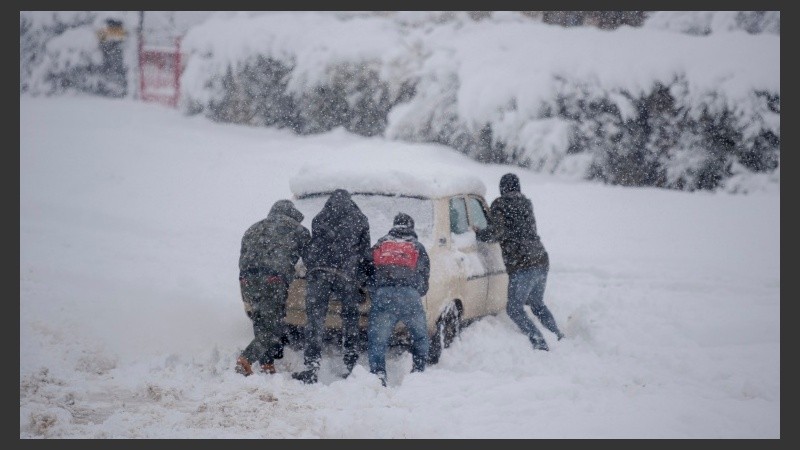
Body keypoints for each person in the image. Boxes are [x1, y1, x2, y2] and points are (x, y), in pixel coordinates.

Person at [475, 173, 564, 351]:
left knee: (514, 309)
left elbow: (497, 232)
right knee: (537, 304)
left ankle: (539, 342)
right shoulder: (527, 203)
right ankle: (558, 335)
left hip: (522, 263)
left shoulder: (501, 204)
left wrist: (478, 233)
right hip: (541, 258)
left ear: (502, 188)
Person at [292, 189, 371, 384]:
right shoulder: (360, 219)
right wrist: (361, 279)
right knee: (351, 319)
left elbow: (313, 247)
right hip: (346, 275)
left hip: (320, 274)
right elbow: (365, 254)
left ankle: (311, 367)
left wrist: (313, 268)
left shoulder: (319, 218)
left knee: (315, 321)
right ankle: (351, 365)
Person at [235, 199, 310, 376]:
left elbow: (243, 256)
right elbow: (309, 258)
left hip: (247, 280)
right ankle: (246, 358)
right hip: (273, 280)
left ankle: (267, 364)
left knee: (260, 320)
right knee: (273, 326)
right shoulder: (298, 229)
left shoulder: (253, 228)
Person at [365, 212, 431, 387]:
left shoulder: (381, 244)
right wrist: (414, 291)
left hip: (384, 295)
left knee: (378, 340)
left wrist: (377, 290)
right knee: (420, 336)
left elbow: (368, 271)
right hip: (410, 295)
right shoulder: (417, 247)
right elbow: (424, 277)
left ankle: (379, 375)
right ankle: (418, 372)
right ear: (411, 227)